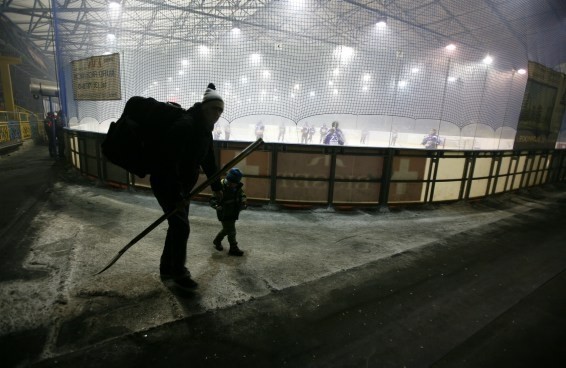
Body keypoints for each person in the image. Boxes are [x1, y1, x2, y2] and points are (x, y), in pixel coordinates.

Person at [149, 83, 224, 291]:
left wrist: (216, 187)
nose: (217, 114)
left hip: (182, 188)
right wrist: (176, 193)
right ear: (203, 107)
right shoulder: (186, 125)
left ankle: (167, 268)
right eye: (214, 109)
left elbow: (209, 162)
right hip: (166, 183)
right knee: (181, 227)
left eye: (220, 110)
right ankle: (179, 273)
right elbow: (166, 162)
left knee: (177, 226)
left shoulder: (205, 131)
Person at [210, 168, 247, 256]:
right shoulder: (220, 187)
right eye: (230, 182)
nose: (231, 185)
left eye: (234, 183)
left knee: (227, 229)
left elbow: (242, 194)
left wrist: (243, 200)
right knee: (231, 231)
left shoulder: (237, 187)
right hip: (224, 212)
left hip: (233, 211)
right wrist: (216, 206)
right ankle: (233, 248)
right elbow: (212, 199)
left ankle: (217, 241)